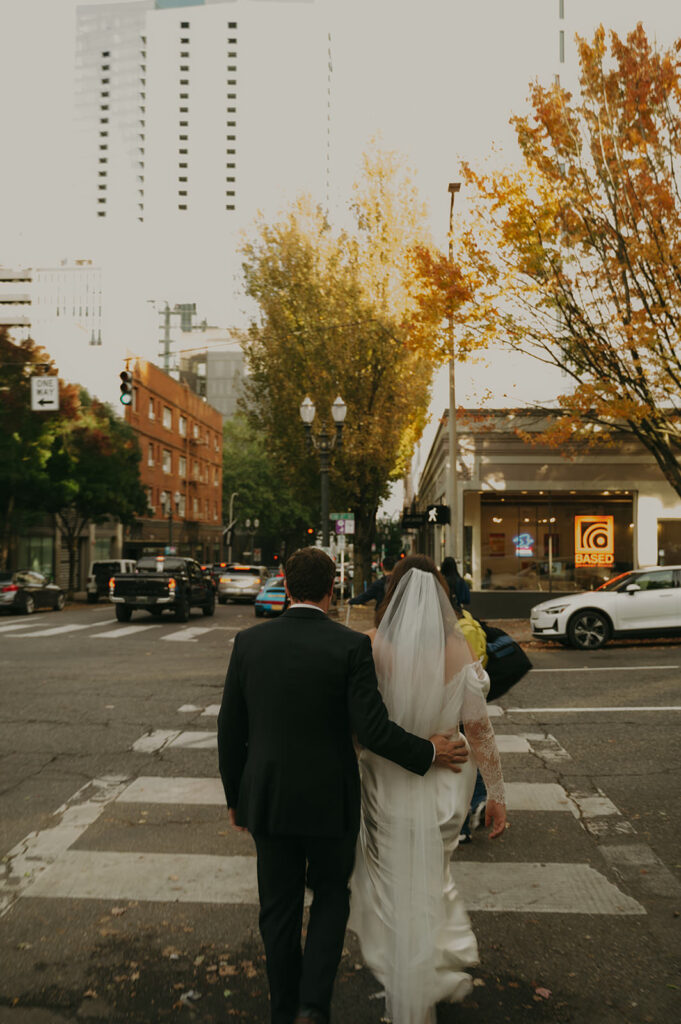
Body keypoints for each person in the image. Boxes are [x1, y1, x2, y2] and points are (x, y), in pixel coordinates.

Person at [217, 546, 470, 1024]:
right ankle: (313, 1004)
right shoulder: (350, 646)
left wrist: (236, 798)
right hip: (332, 801)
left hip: (268, 799)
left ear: (286, 587)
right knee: (332, 897)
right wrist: (431, 751)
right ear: (333, 590)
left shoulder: (248, 644)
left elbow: (231, 731)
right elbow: (373, 730)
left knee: (278, 907)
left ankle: (283, 1009)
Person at [349, 554, 506, 1024]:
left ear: (391, 593)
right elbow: (479, 732)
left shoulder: (372, 646)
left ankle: (410, 971)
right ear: (441, 595)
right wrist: (496, 794)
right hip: (446, 784)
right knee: (432, 878)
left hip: (387, 781)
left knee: (395, 888)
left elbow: (360, 726)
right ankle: (433, 962)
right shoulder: (458, 650)